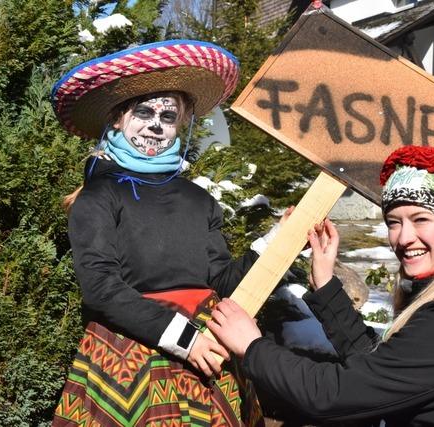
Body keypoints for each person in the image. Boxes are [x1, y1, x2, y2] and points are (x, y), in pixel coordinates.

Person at [208, 143, 434, 426]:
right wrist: (325, 284)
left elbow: (335, 394)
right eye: (394, 222)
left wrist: (253, 346)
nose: (404, 238)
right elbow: (378, 365)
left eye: (421, 219)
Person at [51, 40, 264, 426]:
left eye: (168, 116)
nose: (155, 124)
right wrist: (184, 339)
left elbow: (218, 280)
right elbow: (100, 288)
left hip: (210, 359)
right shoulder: (99, 196)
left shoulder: (198, 200)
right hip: (132, 358)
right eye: (144, 111)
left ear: (181, 124)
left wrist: (270, 247)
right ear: (116, 119)